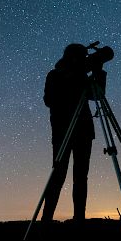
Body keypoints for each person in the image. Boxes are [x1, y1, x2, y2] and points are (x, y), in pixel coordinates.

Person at [41, 43, 95, 224]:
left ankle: (79, 218)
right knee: (58, 174)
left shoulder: (83, 75)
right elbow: (49, 100)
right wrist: (71, 80)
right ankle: (46, 219)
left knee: (81, 176)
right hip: (62, 131)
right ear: (71, 57)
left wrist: (98, 72)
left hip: (84, 131)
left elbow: (97, 95)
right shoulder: (55, 75)